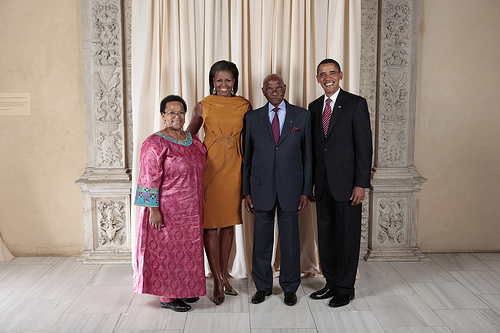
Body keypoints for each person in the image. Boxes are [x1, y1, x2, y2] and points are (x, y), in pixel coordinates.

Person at [242, 74, 312, 306]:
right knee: (261, 241)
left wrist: (305, 191)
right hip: (261, 189)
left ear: (285, 88)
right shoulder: (252, 118)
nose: (274, 91)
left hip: (291, 189)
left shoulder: (301, 116)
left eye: (278, 87)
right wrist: (246, 191)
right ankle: (262, 287)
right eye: (269, 88)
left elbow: (307, 158)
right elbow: (247, 159)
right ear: (263, 91)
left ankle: (290, 287)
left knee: (290, 240)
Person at [308, 59, 372, 307]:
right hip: (323, 184)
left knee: (347, 237)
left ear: (341, 75)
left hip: (348, 185)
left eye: (332, 72)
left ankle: (346, 288)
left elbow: (364, 147)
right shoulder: (314, 107)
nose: (327, 77)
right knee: (326, 237)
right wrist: (311, 183)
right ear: (317, 79)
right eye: (322, 74)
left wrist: (361, 184)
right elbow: (315, 150)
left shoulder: (356, 104)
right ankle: (331, 283)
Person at [134, 95, 207, 312]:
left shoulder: (193, 140)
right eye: (171, 112)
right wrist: (153, 211)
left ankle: (184, 290)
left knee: (187, 251)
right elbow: (147, 178)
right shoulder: (154, 143)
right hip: (166, 210)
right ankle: (168, 296)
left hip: (191, 211)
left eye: (181, 112)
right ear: (163, 116)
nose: (177, 116)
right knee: (168, 253)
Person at [187, 60, 251, 305]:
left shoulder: (244, 105)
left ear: (235, 81)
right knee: (210, 225)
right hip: (210, 169)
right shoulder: (204, 105)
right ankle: (216, 280)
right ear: (212, 81)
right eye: (219, 80)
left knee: (228, 224)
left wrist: (250, 173)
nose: (224, 84)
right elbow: (189, 136)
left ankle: (224, 276)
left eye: (228, 80)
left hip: (235, 168)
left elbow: (249, 142)